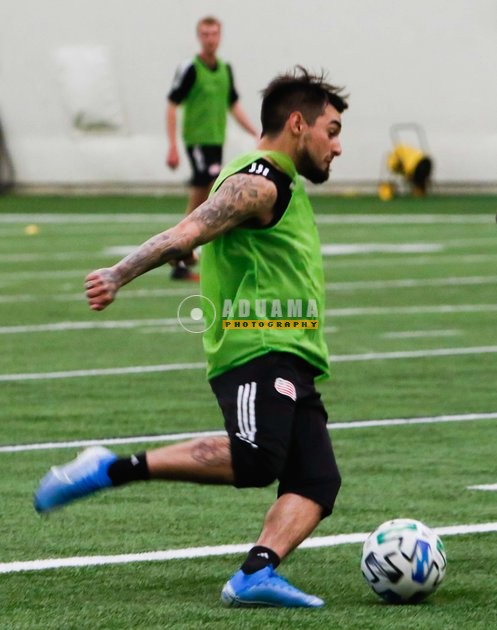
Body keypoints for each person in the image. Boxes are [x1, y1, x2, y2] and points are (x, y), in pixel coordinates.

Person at [34, 67, 348, 608]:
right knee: (256, 458)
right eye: (332, 130)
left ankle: (255, 573)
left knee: (316, 481)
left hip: (293, 354)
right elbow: (187, 233)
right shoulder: (259, 182)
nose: (337, 146)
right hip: (257, 348)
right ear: (298, 124)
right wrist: (117, 274)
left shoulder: (280, 183)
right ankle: (109, 468)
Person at [166, 15, 258, 280]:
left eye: (214, 34)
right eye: (205, 34)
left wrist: (255, 132)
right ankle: (179, 250)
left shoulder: (225, 69)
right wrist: (172, 146)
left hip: (216, 141)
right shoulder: (190, 68)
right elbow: (172, 105)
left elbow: (233, 104)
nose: (210, 39)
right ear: (199, 37)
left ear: (220, 37)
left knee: (205, 196)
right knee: (202, 194)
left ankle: (181, 253)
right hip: (197, 141)